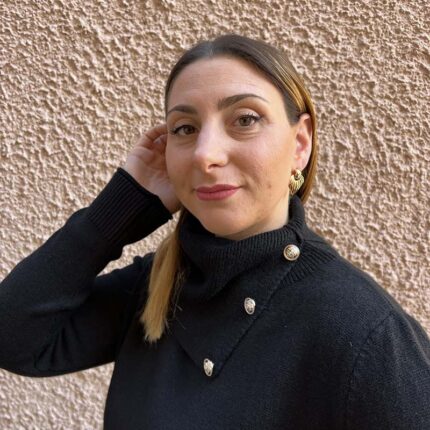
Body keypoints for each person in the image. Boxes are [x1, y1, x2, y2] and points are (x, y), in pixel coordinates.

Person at [0, 34, 429, 430]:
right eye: (185, 129)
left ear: (300, 143)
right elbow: (13, 336)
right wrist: (121, 209)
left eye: (245, 119)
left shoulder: (366, 333)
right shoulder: (155, 289)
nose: (205, 154)